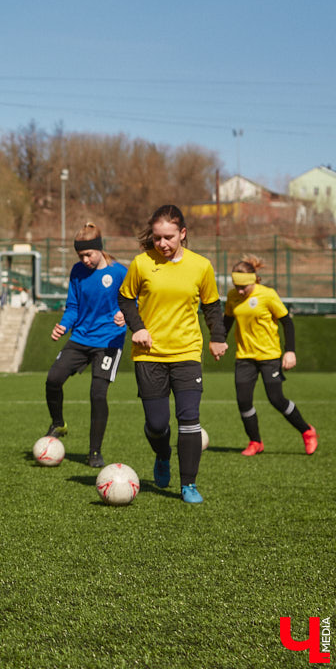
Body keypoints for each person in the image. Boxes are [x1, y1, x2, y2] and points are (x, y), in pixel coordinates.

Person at [117, 205, 225, 504]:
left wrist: (217, 337)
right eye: (157, 238)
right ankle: (162, 455)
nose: (162, 244)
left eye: (168, 237)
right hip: (149, 355)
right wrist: (136, 328)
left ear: (183, 234)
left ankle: (188, 484)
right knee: (157, 424)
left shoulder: (201, 266)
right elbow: (125, 299)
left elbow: (212, 305)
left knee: (189, 419)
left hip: (187, 352)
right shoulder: (140, 264)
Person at [44, 222, 127, 468]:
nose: (85, 259)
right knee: (53, 379)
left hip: (109, 340)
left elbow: (136, 299)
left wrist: (125, 313)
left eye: (88, 254)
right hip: (80, 337)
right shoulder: (77, 271)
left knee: (97, 394)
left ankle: (94, 452)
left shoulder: (120, 272)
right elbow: (73, 306)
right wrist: (63, 325)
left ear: (99, 249)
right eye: (80, 255)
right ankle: (58, 422)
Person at [223, 256, 318, 456]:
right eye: (236, 286)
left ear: (254, 280)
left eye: (244, 287)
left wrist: (290, 351)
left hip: (269, 356)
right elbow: (228, 321)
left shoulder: (268, 295)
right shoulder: (233, 296)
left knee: (276, 399)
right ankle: (255, 442)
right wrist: (219, 340)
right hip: (245, 356)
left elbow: (287, 323)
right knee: (243, 401)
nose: (240, 291)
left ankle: (307, 431)